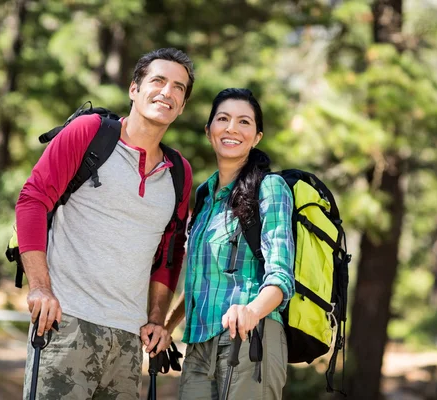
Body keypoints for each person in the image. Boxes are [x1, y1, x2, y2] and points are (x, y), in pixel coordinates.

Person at [16, 48, 194, 399]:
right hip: (66, 324)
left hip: (128, 341)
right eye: (158, 80)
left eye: (178, 87)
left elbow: (169, 251)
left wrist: (156, 318)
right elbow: (32, 199)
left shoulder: (180, 172)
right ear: (133, 89)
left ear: (183, 105)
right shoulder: (90, 133)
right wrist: (40, 287)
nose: (167, 92)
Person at [165, 88, 295, 399]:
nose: (232, 128)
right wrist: (166, 326)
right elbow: (200, 280)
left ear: (257, 136)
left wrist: (252, 310)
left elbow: (280, 275)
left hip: (251, 338)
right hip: (197, 344)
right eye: (223, 118)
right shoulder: (205, 197)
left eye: (244, 122)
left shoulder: (270, 188)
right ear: (209, 130)